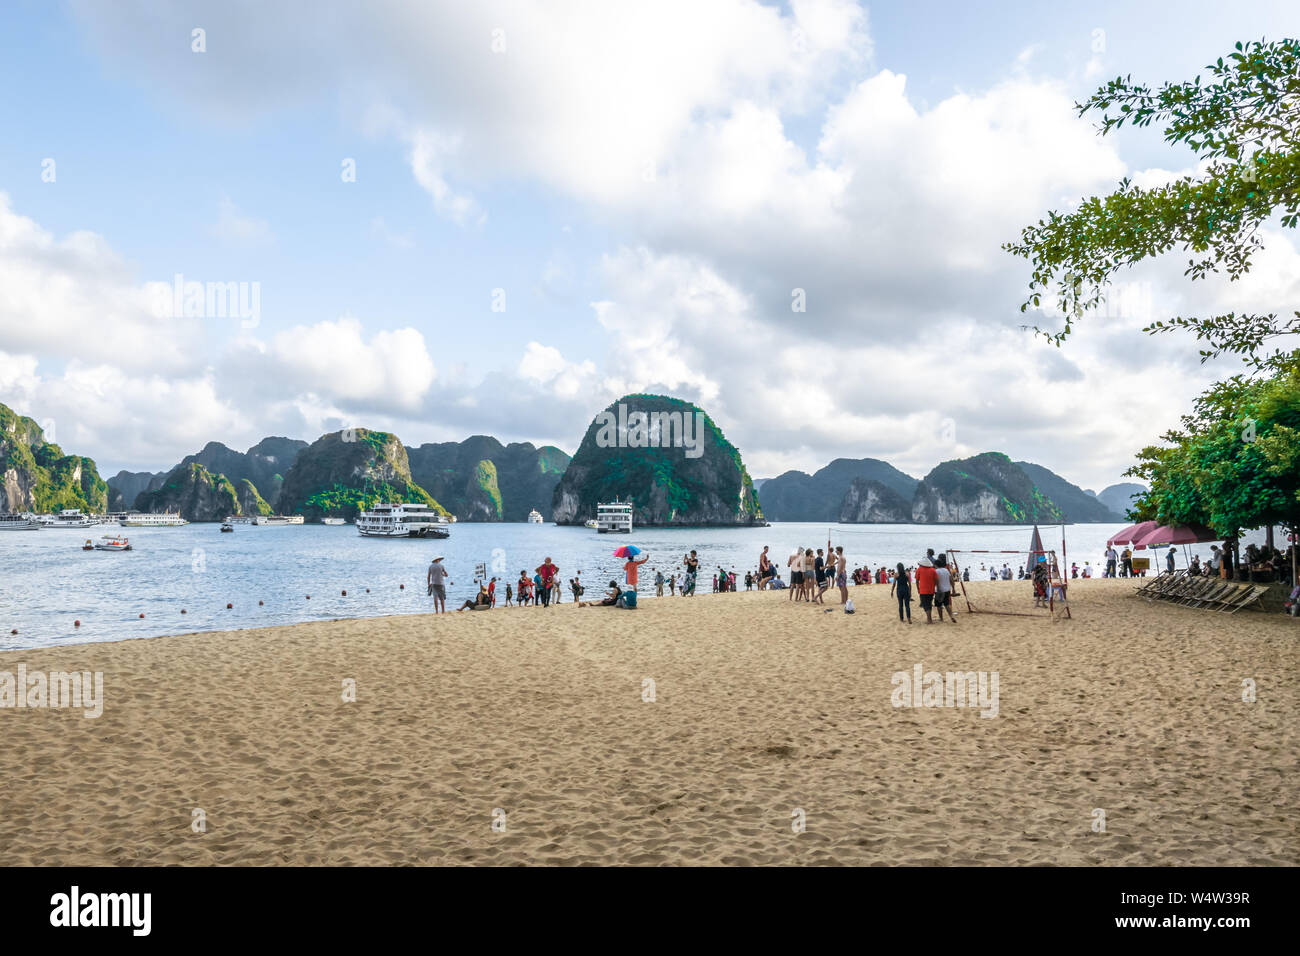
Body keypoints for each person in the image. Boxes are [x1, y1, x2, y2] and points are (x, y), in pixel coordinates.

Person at [933, 554, 957, 623]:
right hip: (947, 590)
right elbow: (951, 580)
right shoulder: (946, 570)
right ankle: (951, 616)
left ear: (936, 565)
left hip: (939, 590)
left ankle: (941, 618)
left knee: (938, 605)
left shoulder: (936, 571)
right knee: (946, 604)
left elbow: (935, 581)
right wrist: (953, 588)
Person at [916, 558, 937, 624]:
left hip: (923, 590)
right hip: (931, 590)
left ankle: (929, 619)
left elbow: (917, 580)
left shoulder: (919, 570)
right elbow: (936, 580)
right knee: (929, 603)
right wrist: (934, 586)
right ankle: (929, 619)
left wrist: (918, 589)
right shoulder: (933, 570)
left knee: (925, 605)